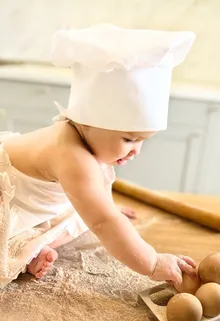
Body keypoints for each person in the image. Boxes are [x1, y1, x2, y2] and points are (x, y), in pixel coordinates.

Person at [0, 23, 197, 288]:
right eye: (129, 139)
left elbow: (99, 201)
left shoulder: (87, 138)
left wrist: (107, 206)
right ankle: (23, 251)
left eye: (142, 141)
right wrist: (152, 262)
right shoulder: (72, 156)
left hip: (36, 202)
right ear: (89, 122)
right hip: (9, 194)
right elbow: (104, 222)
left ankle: (31, 248)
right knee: (86, 219)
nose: (136, 150)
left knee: (80, 215)